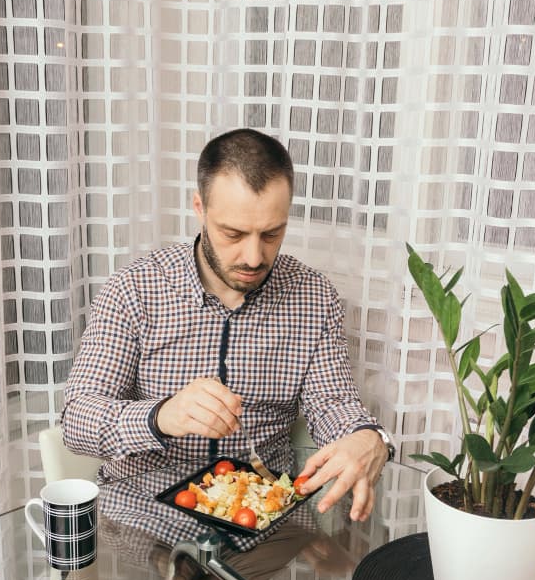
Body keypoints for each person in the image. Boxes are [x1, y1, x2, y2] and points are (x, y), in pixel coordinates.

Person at [61, 128, 393, 521]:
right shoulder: (136, 287)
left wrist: (370, 437)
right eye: (233, 234)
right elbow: (76, 419)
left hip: (258, 525)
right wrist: (161, 416)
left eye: (272, 233)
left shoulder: (314, 297)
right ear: (200, 208)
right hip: (143, 517)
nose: (254, 257)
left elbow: (332, 405)